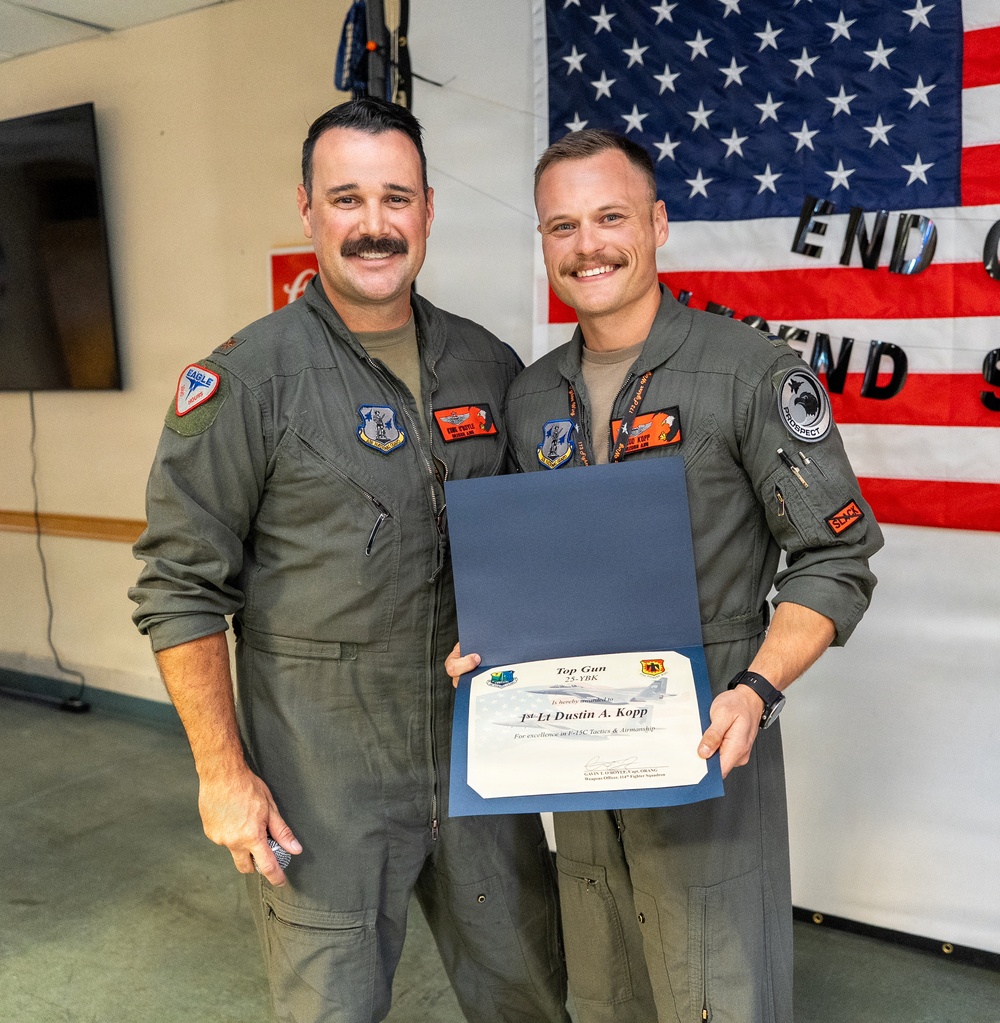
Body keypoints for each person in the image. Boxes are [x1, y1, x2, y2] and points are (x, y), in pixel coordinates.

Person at [130, 98, 569, 1023]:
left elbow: (541, 543)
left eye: (395, 198)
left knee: (530, 992)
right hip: (323, 781)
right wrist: (222, 772)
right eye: (347, 199)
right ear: (307, 211)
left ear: (427, 211)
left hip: (479, 758)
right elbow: (177, 586)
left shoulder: (487, 366)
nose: (374, 225)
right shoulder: (247, 382)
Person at [447, 129, 883, 1023]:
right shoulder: (531, 396)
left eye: (610, 216)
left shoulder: (752, 374)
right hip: (572, 741)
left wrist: (757, 688)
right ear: (543, 242)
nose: (587, 244)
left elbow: (838, 558)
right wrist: (489, 655)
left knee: (718, 990)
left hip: (709, 734)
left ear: (658, 223)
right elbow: (532, 567)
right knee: (606, 987)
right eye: (561, 225)